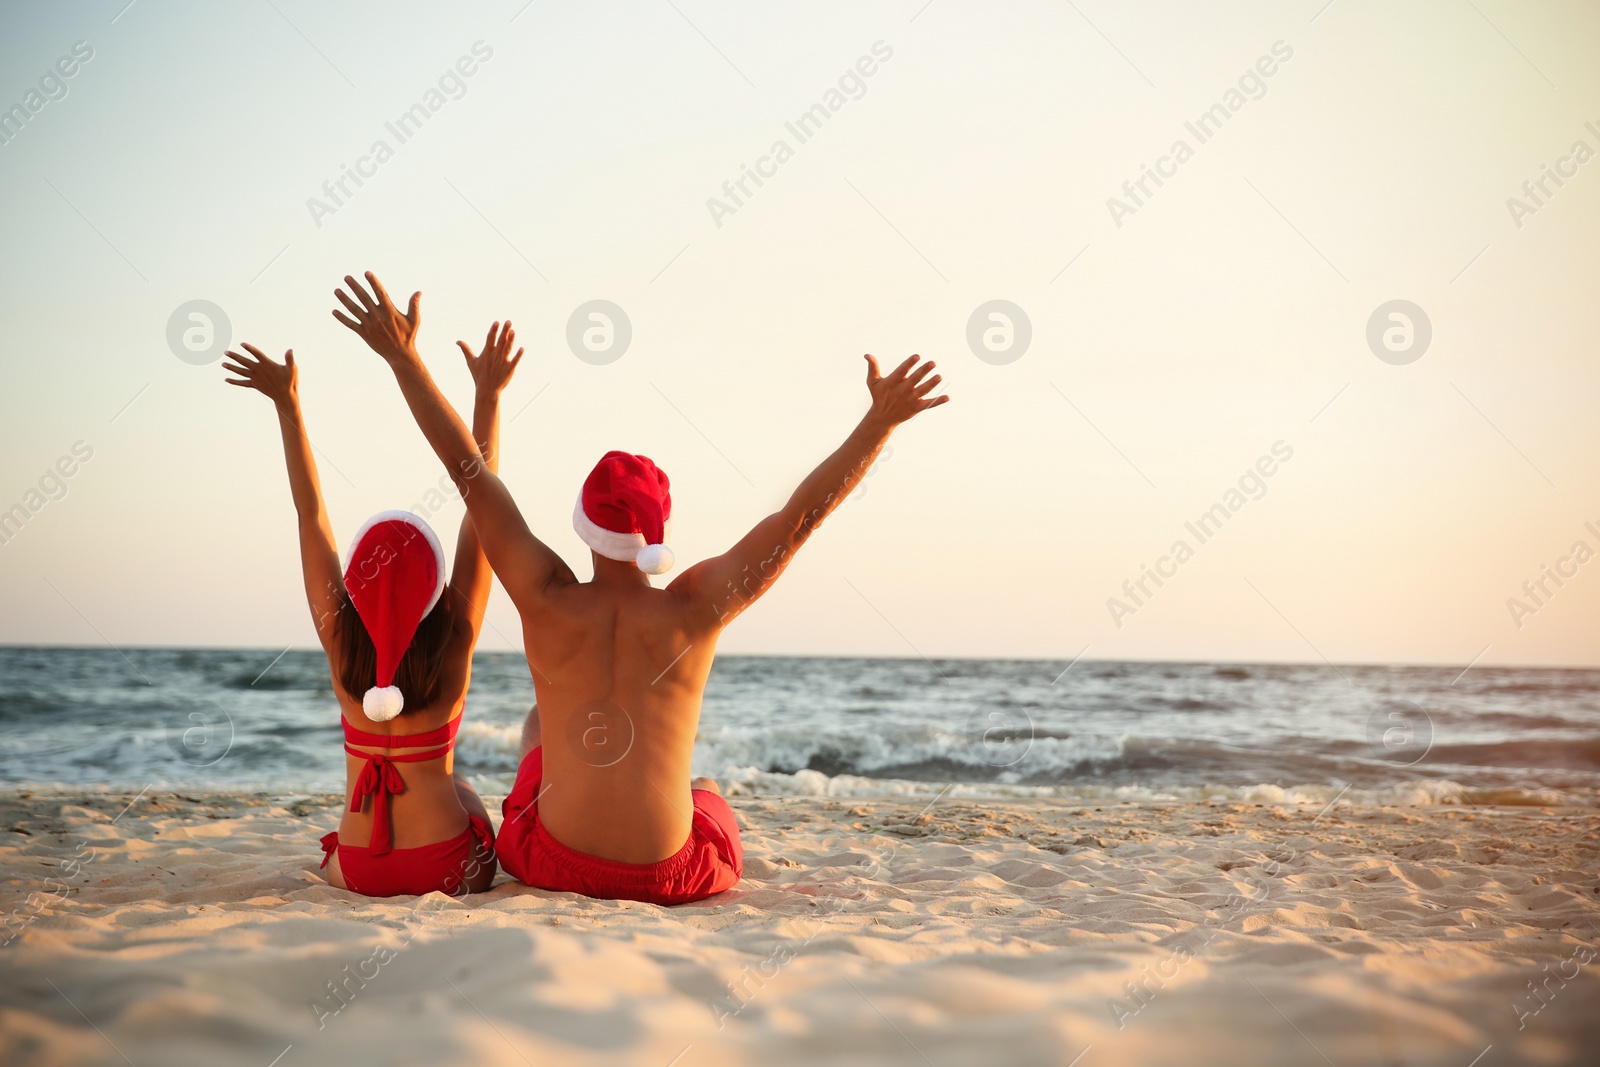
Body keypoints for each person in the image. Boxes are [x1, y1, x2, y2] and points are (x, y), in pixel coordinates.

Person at [332, 271, 949, 905]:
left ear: (584, 524)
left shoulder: (543, 595)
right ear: (656, 534)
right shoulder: (696, 606)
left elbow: (468, 470)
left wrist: (403, 358)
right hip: (666, 877)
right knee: (703, 788)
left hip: (549, 862)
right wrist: (880, 423)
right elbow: (797, 520)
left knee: (540, 728)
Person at [222, 328, 523, 896]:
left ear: (356, 590)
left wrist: (288, 406)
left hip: (358, 869)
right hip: (446, 868)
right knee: (463, 794)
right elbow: (480, 512)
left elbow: (310, 516)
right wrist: (488, 396)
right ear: (435, 592)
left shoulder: (342, 646)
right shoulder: (453, 642)